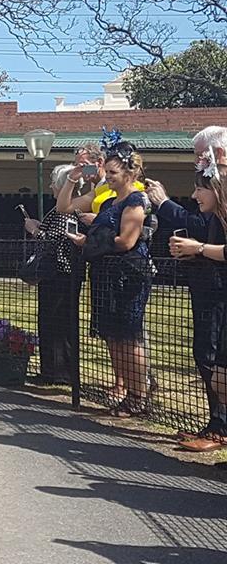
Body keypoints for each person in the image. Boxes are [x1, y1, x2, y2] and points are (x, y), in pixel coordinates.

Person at [148, 126, 227, 449]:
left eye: (201, 155)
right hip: (205, 282)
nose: (198, 161)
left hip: (218, 288)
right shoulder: (213, 194)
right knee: (208, 355)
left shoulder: (220, 189)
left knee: (215, 358)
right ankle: (215, 422)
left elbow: (202, 231)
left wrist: (165, 204)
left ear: (218, 154)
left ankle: (220, 426)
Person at [67, 138, 153, 418]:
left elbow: (126, 241)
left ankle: (139, 395)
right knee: (112, 336)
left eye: (114, 173)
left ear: (129, 174)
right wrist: (88, 241)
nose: (110, 178)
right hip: (105, 274)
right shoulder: (109, 202)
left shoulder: (136, 201)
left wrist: (93, 241)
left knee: (129, 336)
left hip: (128, 275)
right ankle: (126, 391)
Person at [23, 164, 81, 384]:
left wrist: (34, 230)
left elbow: (54, 241)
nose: (50, 186)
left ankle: (58, 372)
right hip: (58, 273)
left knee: (56, 324)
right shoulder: (62, 209)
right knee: (51, 323)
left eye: (52, 182)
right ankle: (53, 369)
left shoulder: (64, 210)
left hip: (60, 273)